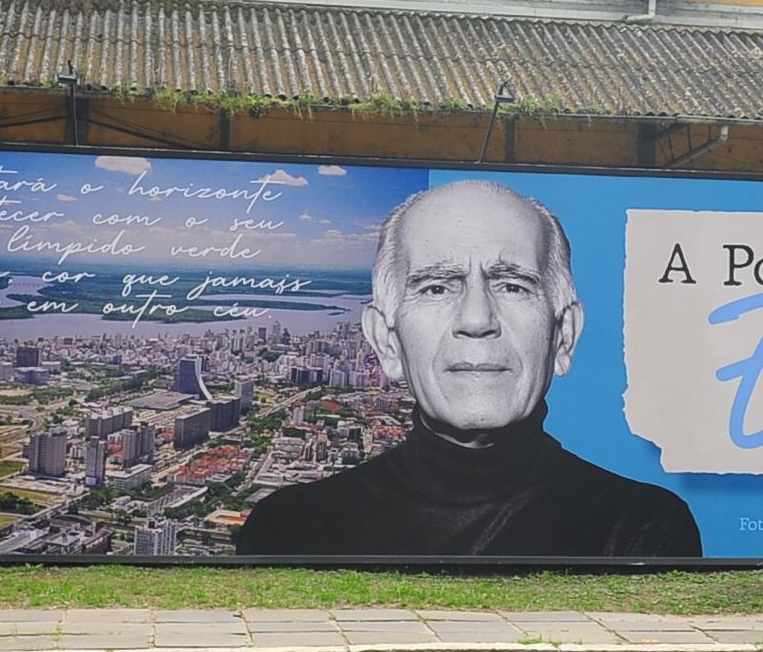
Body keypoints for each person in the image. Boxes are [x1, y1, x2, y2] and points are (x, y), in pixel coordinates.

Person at [237, 181, 699, 558]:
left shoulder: (640, 531)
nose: (477, 319)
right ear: (385, 340)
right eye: (437, 288)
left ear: (564, 335)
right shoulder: (290, 531)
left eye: (513, 286)